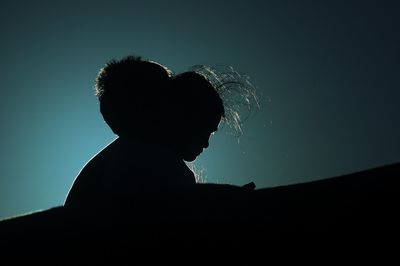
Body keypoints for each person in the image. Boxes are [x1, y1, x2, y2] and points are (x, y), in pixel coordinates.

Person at [64, 55, 256, 210]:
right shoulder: (144, 157)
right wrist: (233, 199)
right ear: (178, 114)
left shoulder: (123, 154)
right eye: (205, 130)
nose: (205, 143)